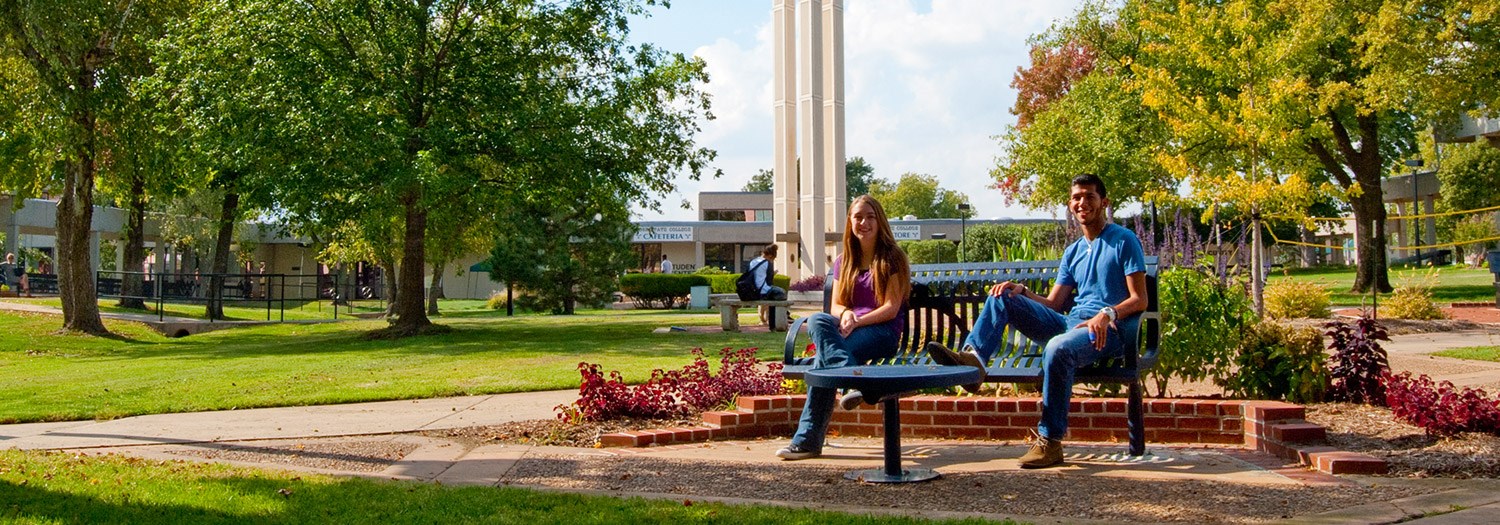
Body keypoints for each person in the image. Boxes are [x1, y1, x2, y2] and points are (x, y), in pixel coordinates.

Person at [926, 173, 1146, 469]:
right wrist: (1023, 292)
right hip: (1071, 324)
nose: (1082, 203)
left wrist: (1107, 314)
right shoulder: (1074, 251)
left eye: (1089, 197)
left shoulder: (1124, 240)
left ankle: (1050, 442)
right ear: (1070, 204)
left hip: (1108, 331)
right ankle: (974, 361)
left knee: (1058, 348)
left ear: (1103, 202)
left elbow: (1139, 299)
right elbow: (1054, 303)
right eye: (1076, 197)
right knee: (1002, 295)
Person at [777, 195, 911, 460]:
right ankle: (851, 380)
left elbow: (891, 308)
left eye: (870, 217)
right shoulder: (844, 261)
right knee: (817, 319)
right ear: (850, 221)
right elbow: (836, 305)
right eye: (858, 217)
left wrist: (858, 320)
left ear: (880, 221)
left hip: (882, 331)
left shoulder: (892, 257)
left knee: (823, 363)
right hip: (849, 330)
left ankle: (807, 441)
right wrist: (847, 314)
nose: (864, 222)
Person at [746, 244, 786, 325]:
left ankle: (768, 320)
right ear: (770, 256)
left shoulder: (753, 261)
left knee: (773, 294)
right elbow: (769, 281)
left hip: (751, 291)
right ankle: (774, 322)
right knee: (781, 293)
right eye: (773, 259)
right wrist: (773, 273)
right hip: (762, 292)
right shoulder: (767, 263)